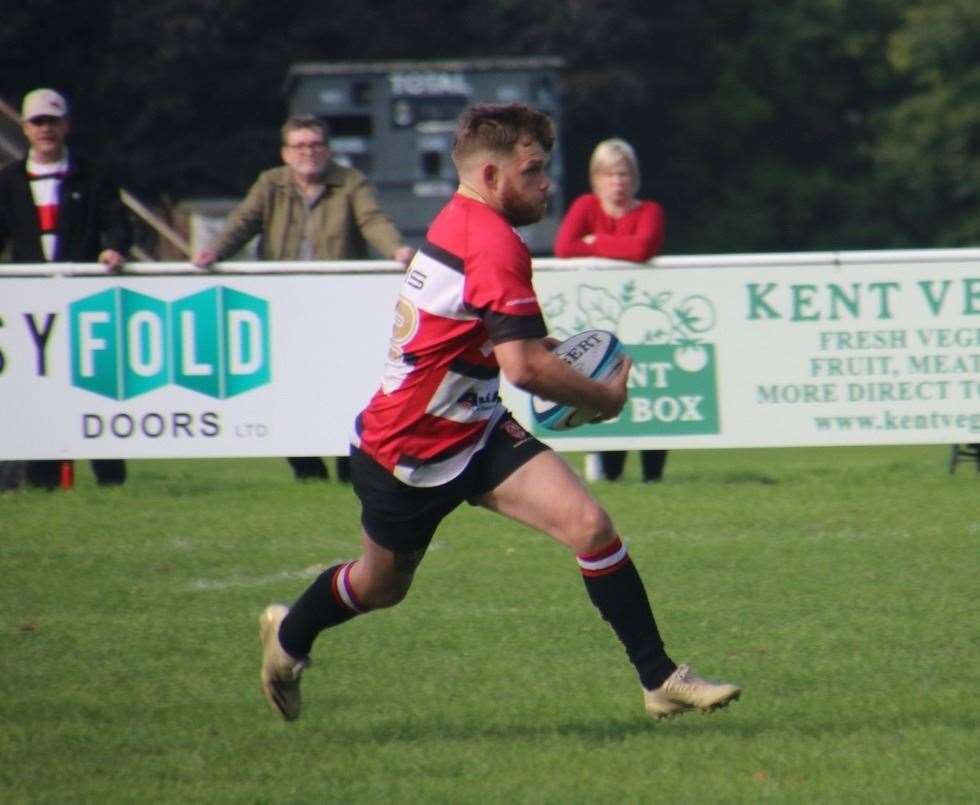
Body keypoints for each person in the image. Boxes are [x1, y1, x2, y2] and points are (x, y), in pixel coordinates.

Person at [257, 103, 740, 723]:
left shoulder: (474, 225)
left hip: (477, 429)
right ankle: (289, 638)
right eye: (533, 171)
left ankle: (659, 678)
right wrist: (604, 398)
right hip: (405, 450)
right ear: (490, 175)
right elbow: (526, 369)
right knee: (379, 587)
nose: (546, 185)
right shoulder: (490, 243)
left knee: (590, 526)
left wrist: (558, 362)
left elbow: (513, 347)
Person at [193, 115, 413, 483]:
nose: (308, 152)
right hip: (284, 310)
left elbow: (372, 219)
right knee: (288, 389)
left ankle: (349, 465)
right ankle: (307, 469)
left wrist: (396, 250)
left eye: (315, 144)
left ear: (327, 150)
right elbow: (243, 222)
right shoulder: (270, 184)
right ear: (285, 152)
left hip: (339, 309)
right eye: (299, 145)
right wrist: (212, 252)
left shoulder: (350, 183)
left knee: (349, 388)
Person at [0, 88, 130, 488]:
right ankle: (43, 480)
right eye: (38, 122)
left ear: (66, 125)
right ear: (25, 128)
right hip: (32, 306)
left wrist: (114, 248)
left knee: (98, 387)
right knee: (39, 390)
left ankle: (110, 477)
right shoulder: (8, 181)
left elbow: (118, 222)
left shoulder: (94, 175)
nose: (46, 130)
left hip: (86, 302)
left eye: (53, 121)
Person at [554, 138, 668, 483]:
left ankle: (654, 475)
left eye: (624, 174)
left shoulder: (649, 211)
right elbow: (564, 247)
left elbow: (644, 247)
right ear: (596, 178)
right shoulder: (586, 207)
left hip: (645, 323)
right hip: (599, 321)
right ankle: (608, 469)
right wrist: (613, 248)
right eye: (610, 175)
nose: (617, 182)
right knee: (602, 386)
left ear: (634, 178)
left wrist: (594, 245)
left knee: (652, 391)